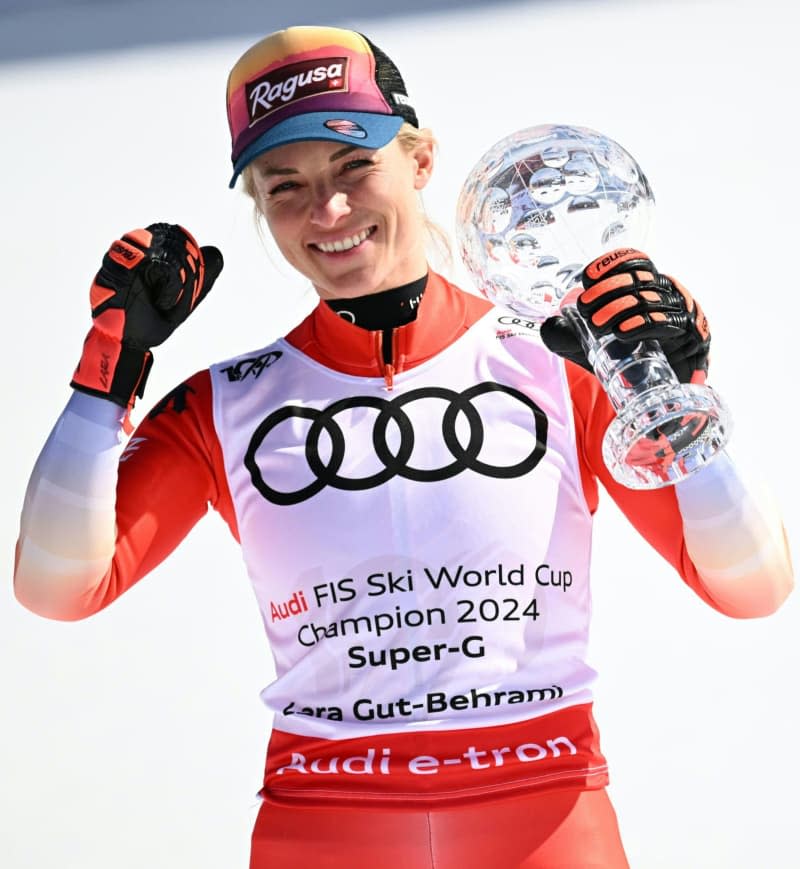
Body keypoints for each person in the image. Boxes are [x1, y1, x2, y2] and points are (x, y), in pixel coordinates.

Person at [13, 24, 794, 869]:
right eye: (285, 187)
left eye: (356, 167)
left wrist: (676, 397)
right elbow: (59, 588)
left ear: (420, 159)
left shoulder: (558, 368)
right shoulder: (226, 405)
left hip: (546, 814)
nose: (328, 212)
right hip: (325, 819)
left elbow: (751, 586)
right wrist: (107, 377)